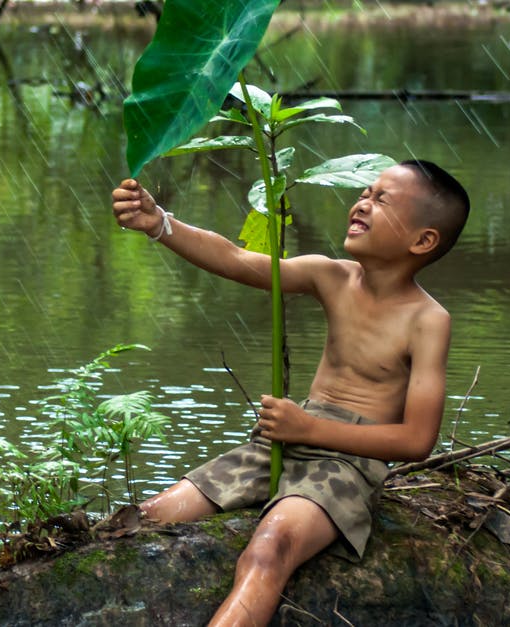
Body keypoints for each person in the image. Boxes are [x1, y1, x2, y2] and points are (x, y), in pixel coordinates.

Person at [110, 160, 470, 626]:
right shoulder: (331, 276)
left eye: (382, 200)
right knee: (150, 516)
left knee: (268, 550)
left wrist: (311, 427)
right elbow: (239, 261)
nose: (361, 203)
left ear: (422, 240)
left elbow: (417, 441)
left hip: (346, 463)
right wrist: (160, 224)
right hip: (283, 442)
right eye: (365, 191)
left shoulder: (428, 320)